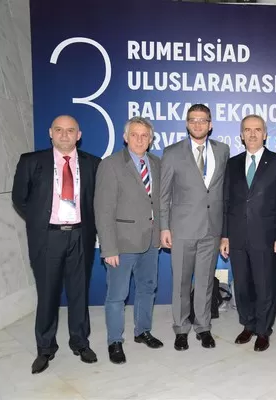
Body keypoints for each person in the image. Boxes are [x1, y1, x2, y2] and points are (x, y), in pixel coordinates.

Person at [12, 115, 101, 374]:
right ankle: (45, 348)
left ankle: (80, 342)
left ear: (79, 135)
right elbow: (19, 198)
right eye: (59, 130)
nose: (64, 135)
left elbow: (98, 201)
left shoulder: (93, 164)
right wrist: (41, 220)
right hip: (47, 237)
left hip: (80, 236)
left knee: (79, 293)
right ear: (50, 132)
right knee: (47, 294)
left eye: (70, 130)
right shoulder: (31, 161)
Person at [160, 104, 230, 350]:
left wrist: (224, 232)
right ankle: (181, 329)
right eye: (193, 120)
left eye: (203, 120)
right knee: (180, 283)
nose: (198, 124)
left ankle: (203, 327)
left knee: (205, 282)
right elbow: (163, 194)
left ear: (210, 124)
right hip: (181, 230)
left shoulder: (223, 150)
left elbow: (222, 192)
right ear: (187, 123)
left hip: (211, 229)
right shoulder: (172, 153)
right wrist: (164, 227)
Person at [94, 116, 163, 364]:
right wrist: (108, 248)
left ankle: (142, 331)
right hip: (121, 244)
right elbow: (103, 210)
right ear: (125, 137)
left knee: (147, 288)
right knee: (117, 295)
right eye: (134, 134)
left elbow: (160, 203)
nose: (139, 140)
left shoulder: (156, 163)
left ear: (151, 139)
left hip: (151, 241)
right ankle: (115, 341)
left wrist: (162, 232)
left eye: (144, 135)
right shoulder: (110, 165)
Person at [220, 114, 276, 352]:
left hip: (266, 237)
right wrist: (225, 235)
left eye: (257, 129)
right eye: (247, 130)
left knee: (265, 285)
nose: (252, 134)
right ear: (241, 135)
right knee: (242, 285)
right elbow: (226, 202)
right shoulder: (232, 164)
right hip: (237, 236)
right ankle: (248, 324)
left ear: (265, 134)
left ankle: (263, 330)